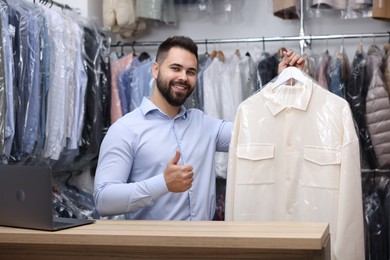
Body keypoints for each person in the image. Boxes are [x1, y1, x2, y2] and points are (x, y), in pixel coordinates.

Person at [93, 36, 304, 220]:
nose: (183, 77)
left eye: (191, 71)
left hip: (206, 246)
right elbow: (103, 200)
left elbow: (256, 129)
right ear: (155, 70)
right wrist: (163, 183)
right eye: (175, 68)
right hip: (154, 250)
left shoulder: (204, 124)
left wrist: (281, 82)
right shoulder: (125, 129)